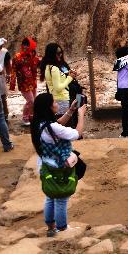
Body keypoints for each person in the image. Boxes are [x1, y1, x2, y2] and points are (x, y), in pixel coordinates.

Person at [31, 92, 86, 237]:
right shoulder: (53, 128)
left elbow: (56, 125)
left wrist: (71, 111)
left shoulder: (38, 122)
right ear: (48, 108)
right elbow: (77, 133)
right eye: (54, 102)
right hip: (59, 167)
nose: (56, 104)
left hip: (45, 164)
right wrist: (81, 114)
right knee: (61, 198)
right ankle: (62, 229)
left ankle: (51, 227)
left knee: (50, 196)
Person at [11, 37, 40, 126]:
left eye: (27, 44)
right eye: (24, 44)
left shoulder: (34, 56)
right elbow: (13, 70)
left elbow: (40, 65)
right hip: (23, 83)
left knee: (33, 101)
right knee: (30, 101)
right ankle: (25, 118)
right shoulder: (17, 57)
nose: (25, 46)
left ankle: (31, 116)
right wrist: (12, 84)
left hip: (33, 82)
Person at [40, 43, 76, 116]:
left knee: (62, 121)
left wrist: (68, 74)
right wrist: (70, 77)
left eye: (61, 52)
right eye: (58, 53)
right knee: (65, 122)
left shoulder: (49, 66)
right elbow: (58, 87)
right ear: (52, 54)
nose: (60, 55)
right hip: (61, 99)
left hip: (60, 97)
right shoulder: (54, 68)